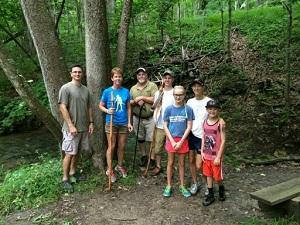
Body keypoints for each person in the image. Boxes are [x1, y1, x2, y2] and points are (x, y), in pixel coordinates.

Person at [58, 64, 94, 192]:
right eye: (75, 72)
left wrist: (91, 122)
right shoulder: (66, 88)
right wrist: (71, 125)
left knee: (77, 151)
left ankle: (73, 172)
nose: (77, 74)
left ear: (82, 74)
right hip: (70, 129)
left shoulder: (86, 89)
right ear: (71, 74)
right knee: (68, 153)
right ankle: (65, 179)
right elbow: (62, 107)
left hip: (83, 127)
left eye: (79, 72)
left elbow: (89, 106)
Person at [99, 67, 133, 182]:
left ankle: (119, 165)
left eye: (120, 76)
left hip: (123, 122)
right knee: (112, 146)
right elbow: (101, 105)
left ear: (121, 78)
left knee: (122, 146)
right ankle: (109, 169)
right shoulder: (107, 91)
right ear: (112, 78)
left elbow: (128, 107)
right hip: (111, 122)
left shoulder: (126, 91)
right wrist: (107, 111)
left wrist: (129, 122)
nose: (118, 78)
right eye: (116, 76)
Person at [162, 86, 194, 198]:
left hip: (183, 140)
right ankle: (169, 185)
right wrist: (171, 140)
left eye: (180, 94)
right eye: (176, 94)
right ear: (173, 95)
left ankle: (182, 185)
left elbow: (189, 126)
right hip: (171, 139)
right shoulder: (168, 109)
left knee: (181, 164)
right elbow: (165, 125)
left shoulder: (188, 109)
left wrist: (181, 141)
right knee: (170, 163)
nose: (178, 96)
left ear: (184, 95)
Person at [186, 79, 211, 195]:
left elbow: (215, 116)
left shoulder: (209, 101)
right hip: (191, 134)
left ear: (203, 87)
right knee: (191, 160)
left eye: (198, 86)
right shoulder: (190, 102)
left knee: (200, 163)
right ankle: (195, 182)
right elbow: (186, 117)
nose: (196, 88)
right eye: (194, 86)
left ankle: (207, 184)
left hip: (204, 135)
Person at [130, 67, 158, 167]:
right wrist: (135, 101)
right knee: (140, 138)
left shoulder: (152, 85)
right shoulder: (133, 88)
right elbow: (129, 102)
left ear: (146, 75)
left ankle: (152, 158)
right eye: (139, 74)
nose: (141, 76)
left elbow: (156, 99)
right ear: (137, 76)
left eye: (143, 74)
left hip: (150, 117)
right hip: (137, 117)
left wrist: (143, 98)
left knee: (151, 139)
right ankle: (143, 156)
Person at [201, 99, 226, 206]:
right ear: (207, 110)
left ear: (218, 110)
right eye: (210, 109)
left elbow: (224, 140)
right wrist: (202, 151)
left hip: (215, 156)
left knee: (217, 177)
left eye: (215, 109)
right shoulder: (205, 122)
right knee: (208, 175)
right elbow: (203, 136)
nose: (212, 111)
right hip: (206, 154)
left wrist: (218, 157)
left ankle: (221, 188)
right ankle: (210, 195)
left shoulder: (221, 124)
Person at [151, 69, 175, 176]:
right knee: (158, 147)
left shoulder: (175, 92)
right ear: (163, 79)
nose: (167, 79)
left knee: (171, 147)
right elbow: (155, 107)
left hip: (172, 125)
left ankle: (171, 167)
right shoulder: (158, 92)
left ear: (172, 79)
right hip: (160, 124)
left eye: (169, 78)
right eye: (165, 78)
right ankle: (158, 166)